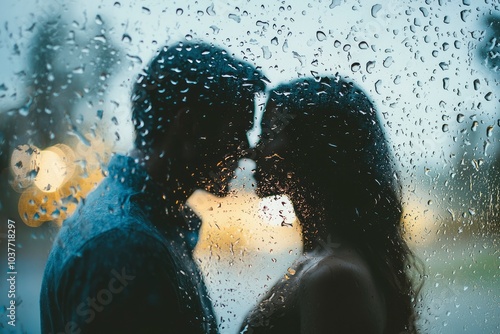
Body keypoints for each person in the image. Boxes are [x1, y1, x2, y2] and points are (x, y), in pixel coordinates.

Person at [40, 40, 266, 334]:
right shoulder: (127, 244)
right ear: (192, 127)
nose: (246, 151)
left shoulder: (142, 222)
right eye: (238, 130)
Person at [241, 76, 422, 333]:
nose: (253, 150)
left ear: (311, 146)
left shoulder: (335, 277)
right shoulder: (321, 259)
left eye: (269, 133)